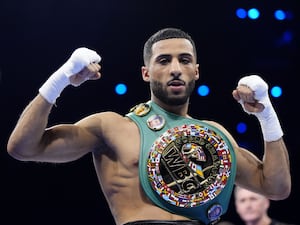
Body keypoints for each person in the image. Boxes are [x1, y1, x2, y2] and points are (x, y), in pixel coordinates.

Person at [7, 28, 291, 225]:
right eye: (164, 60)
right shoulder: (111, 127)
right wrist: (61, 78)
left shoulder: (213, 136)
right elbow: (23, 147)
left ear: (197, 71)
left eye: (185, 60)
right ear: (146, 72)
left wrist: (266, 113)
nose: (175, 68)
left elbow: (276, 187)